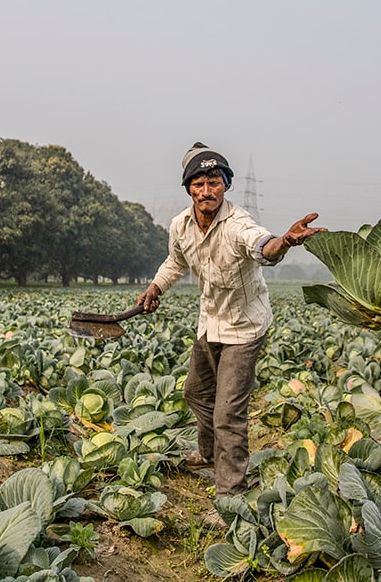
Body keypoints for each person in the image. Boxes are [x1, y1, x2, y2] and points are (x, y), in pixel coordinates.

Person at [137, 141, 326, 501]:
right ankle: (209, 454)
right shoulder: (181, 225)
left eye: (214, 182)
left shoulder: (238, 223)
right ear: (189, 188)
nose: (206, 191)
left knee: (228, 413)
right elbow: (175, 262)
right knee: (195, 393)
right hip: (210, 321)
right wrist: (155, 287)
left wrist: (284, 241)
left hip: (244, 327)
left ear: (226, 185)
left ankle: (230, 495)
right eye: (199, 184)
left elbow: (263, 247)